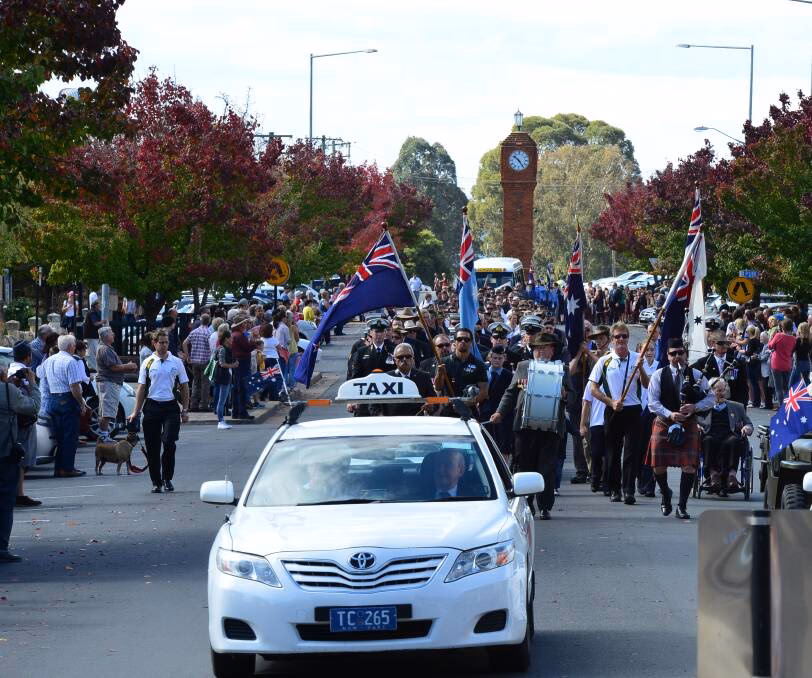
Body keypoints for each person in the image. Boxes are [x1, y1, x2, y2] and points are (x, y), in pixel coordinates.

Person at [490, 333, 571, 519]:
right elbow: (510, 393)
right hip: (525, 427)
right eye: (537, 348)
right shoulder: (523, 367)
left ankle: (545, 506)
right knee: (523, 467)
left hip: (551, 428)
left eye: (544, 347)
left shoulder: (563, 369)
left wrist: (565, 394)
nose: (540, 351)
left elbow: (573, 397)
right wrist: (500, 413)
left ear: (552, 350)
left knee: (547, 468)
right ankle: (526, 505)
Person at [646, 337, 715, 519]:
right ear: (667, 356)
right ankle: (665, 494)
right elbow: (652, 403)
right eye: (673, 353)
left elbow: (711, 398)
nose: (677, 356)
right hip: (664, 422)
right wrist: (670, 414)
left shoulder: (698, 375)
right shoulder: (658, 375)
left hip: (688, 423)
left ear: (686, 353)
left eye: (680, 353)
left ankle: (682, 506)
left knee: (689, 467)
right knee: (658, 466)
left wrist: (695, 407)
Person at [588, 322, 650, 505]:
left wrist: (640, 368)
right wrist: (610, 402)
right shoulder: (604, 361)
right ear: (612, 339)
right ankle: (615, 489)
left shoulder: (637, 358)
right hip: (613, 409)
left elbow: (646, 385)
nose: (621, 340)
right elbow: (593, 388)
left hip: (633, 410)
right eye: (617, 337)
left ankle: (629, 490)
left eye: (624, 336)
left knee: (631, 452)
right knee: (613, 452)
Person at [128, 329, 190, 493]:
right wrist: (136, 411)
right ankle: (156, 482)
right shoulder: (148, 362)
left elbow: (184, 386)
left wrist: (185, 409)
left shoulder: (176, 362)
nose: (163, 345)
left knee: (169, 442)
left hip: (170, 407)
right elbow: (141, 388)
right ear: (154, 343)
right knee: (152, 447)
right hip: (152, 406)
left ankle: (167, 477)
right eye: (160, 342)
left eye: (166, 342)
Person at [0, 364, 41, 562]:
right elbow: (33, 406)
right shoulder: (8, 391)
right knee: (5, 501)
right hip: (5, 451)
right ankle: (1, 548)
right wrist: (32, 383)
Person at [697, 377, 753, 496]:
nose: (722, 393)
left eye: (724, 390)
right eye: (718, 390)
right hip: (711, 434)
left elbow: (748, 423)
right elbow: (696, 421)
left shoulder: (737, 406)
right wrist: (697, 426)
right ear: (711, 391)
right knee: (708, 441)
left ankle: (732, 475)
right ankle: (713, 475)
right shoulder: (704, 407)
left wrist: (746, 428)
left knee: (734, 441)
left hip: (729, 435)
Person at [44, 334, 89, 477]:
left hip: (52, 399)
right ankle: (67, 468)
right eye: (74, 345)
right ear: (71, 347)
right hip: (66, 399)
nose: (75, 347)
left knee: (60, 437)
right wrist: (82, 403)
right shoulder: (71, 361)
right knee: (70, 436)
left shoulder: (49, 360)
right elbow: (74, 386)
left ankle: (59, 467)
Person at [95, 327, 138, 441]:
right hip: (108, 382)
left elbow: (115, 366)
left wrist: (126, 367)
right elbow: (113, 367)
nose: (113, 334)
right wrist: (128, 366)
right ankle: (104, 436)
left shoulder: (107, 348)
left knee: (107, 410)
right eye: (111, 333)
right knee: (107, 410)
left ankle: (104, 435)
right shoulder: (104, 349)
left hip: (111, 382)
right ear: (105, 336)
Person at [433, 326, 488, 409]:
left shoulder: (479, 365)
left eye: (466, 339)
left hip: (469, 411)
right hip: (448, 410)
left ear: (471, 343)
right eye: (459, 339)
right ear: (454, 342)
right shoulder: (444, 362)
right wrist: (440, 373)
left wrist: (468, 403)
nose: (463, 341)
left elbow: (483, 392)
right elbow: (438, 387)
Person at [691, 330, 748, 407]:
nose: (725, 345)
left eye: (727, 343)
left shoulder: (737, 363)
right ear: (712, 343)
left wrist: (741, 409)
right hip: (710, 407)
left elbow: (743, 389)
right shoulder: (703, 363)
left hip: (731, 406)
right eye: (721, 343)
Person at [383, 343, 434, 416]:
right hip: (393, 423)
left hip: (417, 421)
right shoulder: (386, 378)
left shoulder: (424, 377)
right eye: (400, 357)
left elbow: (433, 399)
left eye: (408, 356)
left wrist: (431, 405)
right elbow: (375, 404)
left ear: (413, 358)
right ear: (394, 360)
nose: (404, 359)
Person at [182, 313, 212, 412]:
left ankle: (193, 404)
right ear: (209, 321)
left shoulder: (194, 331)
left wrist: (187, 356)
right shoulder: (208, 333)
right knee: (205, 383)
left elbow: (184, 343)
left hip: (194, 360)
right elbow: (211, 347)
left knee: (196, 383)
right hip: (205, 360)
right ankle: (203, 404)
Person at [768, 318, 796, 406]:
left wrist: (771, 337)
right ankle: (788, 406)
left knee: (778, 389)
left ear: (782, 327)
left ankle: (782, 408)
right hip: (787, 364)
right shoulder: (794, 339)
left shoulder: (778, 336)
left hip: (776, 364)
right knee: (786, 388)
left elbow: (770, 346)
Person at [213, 330, 238, 430]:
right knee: (222, 400)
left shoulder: (226, 348)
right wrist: (233, 365)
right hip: (223, 377)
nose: (232, 339)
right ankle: (220, 421)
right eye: (230, 337)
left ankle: (221, 420)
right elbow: (221, 363)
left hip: (225, 376)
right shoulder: (222, 349)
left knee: (222, 400)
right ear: (226, 339)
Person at [84, 299, 103, 370]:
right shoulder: (92, 313)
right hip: (92, 335)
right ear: (95, 306)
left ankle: (90, 365)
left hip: (92, 335)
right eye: (98, 305)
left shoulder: (95, 312)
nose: (99, 306)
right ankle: (93, 366)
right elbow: (95, 323)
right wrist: (103, 322)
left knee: (91, 351)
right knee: (95, 350)